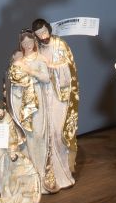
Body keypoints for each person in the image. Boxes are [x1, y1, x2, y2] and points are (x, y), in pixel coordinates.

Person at [5, 30, 74, 193]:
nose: (27, 45)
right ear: (21, 45)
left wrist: (30, 72)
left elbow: (45, 78)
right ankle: (30, 174)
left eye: (30, 42)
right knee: (28, 136)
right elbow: (12, 80)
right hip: (24, 101)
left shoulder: (40, 59)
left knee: (39, 134)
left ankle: (43, 174)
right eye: (24, 43)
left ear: (34, 42)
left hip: (38, 101)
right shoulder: (19, 61)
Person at [30, 17, 79, 176]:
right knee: (45, 129)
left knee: (59, 130)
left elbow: (68, 68)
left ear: (49, 29)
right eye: (39, 34)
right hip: (43, 93)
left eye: (44, 31)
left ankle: (63, 168)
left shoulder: (60, 44)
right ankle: (47, 166)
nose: (43, 36)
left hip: (59, 94)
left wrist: (50, 68)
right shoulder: (36, 47)